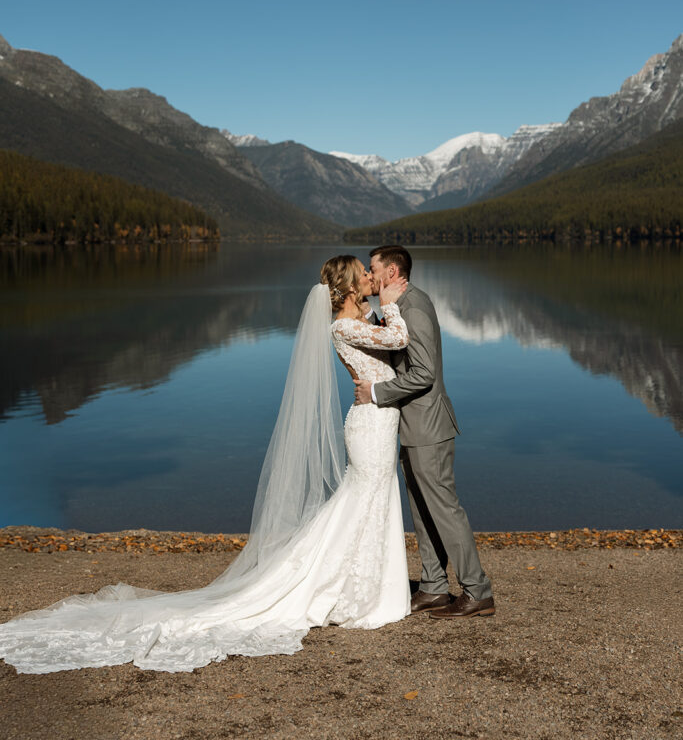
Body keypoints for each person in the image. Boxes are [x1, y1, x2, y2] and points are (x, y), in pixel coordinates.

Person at [0, 255, 412, 674]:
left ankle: (363, 585)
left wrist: (380, 310)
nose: (370, 277)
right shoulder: (343, 326)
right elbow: (398, 340)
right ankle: (351, 590)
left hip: (374, 422)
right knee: (366, 498)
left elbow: (383, 345)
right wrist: (395, 301)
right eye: (363, 273)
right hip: (370, 425)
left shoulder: (358, 320)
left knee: (366, 499)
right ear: (346, 286)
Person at [353, 245, 494, 619]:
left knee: (444, 509)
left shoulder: (413, 306)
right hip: (413, 426)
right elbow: (397, 349)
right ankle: (433, 588)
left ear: (392, 272)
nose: (369, 275)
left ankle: (477, 591)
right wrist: (373, 314)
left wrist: (376, 393)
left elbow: (423, 373)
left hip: (429, 426)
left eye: (373, 269)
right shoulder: (400, 305)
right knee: (423, 510)